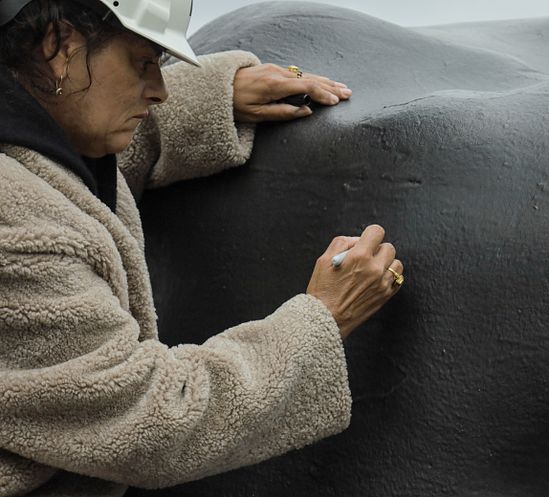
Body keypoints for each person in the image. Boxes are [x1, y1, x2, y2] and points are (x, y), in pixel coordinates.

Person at [0, 0, 405, 495]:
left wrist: (213, 97)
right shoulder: (15, 228)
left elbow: (61, 167)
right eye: (143, 62)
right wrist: (321, 321)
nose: (160, 91)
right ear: (59, 48)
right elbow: (150, 421)